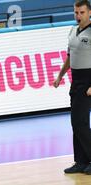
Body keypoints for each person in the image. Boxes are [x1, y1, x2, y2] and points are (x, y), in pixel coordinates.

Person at [53, 0, 91, 174]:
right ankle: (81, 161)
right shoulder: (72, 30)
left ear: (89, 13)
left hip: (88, 80)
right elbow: (70, 56)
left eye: (81, 12)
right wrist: (60, 75)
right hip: (76, 79)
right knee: (75, 123)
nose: (78, 16)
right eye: (76, 12)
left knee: (81, 122)